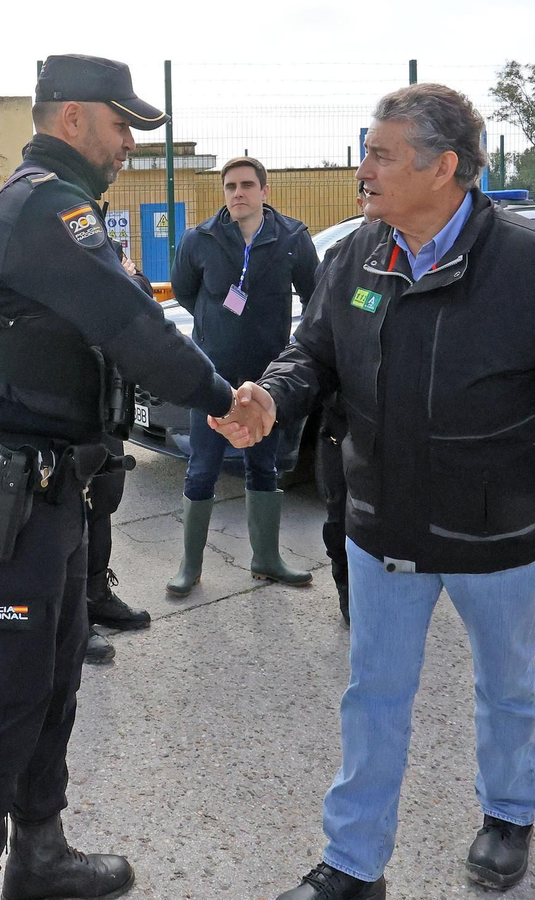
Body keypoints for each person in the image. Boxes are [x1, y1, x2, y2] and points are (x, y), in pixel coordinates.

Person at [213, 83, 535, 897]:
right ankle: (353, 864)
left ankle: (509, 814)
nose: (364, 168)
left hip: (501, 533)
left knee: (507, 684)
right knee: (373, 692)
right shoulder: (358, 255)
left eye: (382, 153)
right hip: (382, 524)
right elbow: (311, 350)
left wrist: (530, 465)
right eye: (367, 151)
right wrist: (271, 396)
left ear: (444, 166)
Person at [0, 54, 242, 900]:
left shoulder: (51, 205)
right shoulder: (46, 208)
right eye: (119, 125)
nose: (127, 143)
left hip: (48, 496)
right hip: (5, 503)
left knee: (53, 685)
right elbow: (134, 326)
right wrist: (223, 399)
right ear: (71, 119)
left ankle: (39, 856)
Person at [165, 155, 320, 597]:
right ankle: (189, 568)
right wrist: (217, 332)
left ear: (264, 191)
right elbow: (185, 291)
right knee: (201, 470)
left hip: (268, 382)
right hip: (212, 381)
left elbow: (315, 299)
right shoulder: (200, 239)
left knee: (263, 466)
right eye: (230, 186)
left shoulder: (293, 238)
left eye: (247, 185)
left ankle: (266, 560)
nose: (237, 193)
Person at [81, 241, 155, 666]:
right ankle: (73, 617)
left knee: (105, 498)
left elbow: (140, 296)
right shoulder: (48, 229)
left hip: (105, 397)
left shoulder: (95, 231)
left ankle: (96, 596)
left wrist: (128, 277)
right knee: (71, 512)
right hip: (64, 400)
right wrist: (121, 277)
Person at [315, 184, 377, 627]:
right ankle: (347, 593)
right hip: (342, 420)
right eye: (367, 197)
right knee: (339, 513)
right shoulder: (341, 256)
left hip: (396, 428)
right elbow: (317, 340)